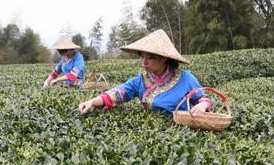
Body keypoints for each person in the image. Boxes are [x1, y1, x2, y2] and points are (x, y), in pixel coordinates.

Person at [78, 29, 211, 115]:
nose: (144, 62)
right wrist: (91, 102)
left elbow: (203, 98)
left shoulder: (186, 78)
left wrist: (203, 105)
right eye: (142, 57)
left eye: (150, 57)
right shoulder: (140, 80)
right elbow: (117, 94)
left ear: (164, 58)